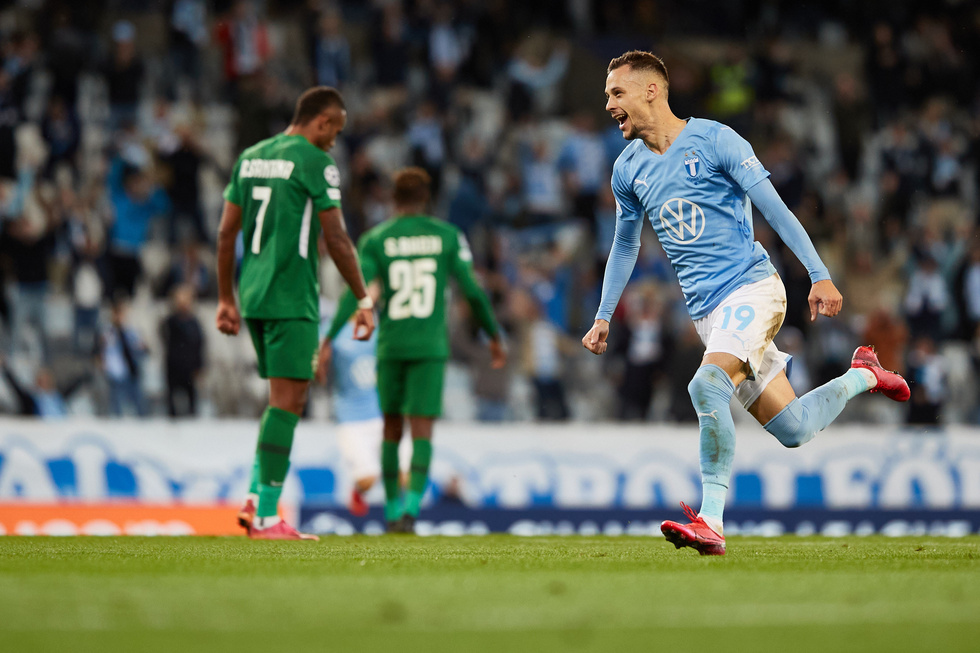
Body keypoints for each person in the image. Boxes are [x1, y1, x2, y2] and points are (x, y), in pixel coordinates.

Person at [582, 51, 910, 556]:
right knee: (794, 428)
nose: (608, 104)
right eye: (608, 95)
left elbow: (774, 209)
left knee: (706, 384)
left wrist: (819, 274)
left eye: (616, 93)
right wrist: (604, 314)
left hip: (752, 289)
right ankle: (864, 375)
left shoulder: (716, 140)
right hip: (708, 316)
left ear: (651, 90)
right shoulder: (627, 169)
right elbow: (625, 244)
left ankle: (711, 521)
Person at [216, 86, 374, 541]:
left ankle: (254, 496)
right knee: (289, 403)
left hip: (253, 296)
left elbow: (226, 234)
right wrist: (363, 299)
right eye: (335, 131)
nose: (335, 141)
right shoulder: (314, 162)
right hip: (291, 296)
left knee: (279, 401)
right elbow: (337, 238)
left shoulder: (250, 157)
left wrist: (226, 299)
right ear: (322, 121)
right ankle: (266, 517)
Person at [323, 167, 505, 533]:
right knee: (421, 431)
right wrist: (493, 335)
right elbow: (472, 291)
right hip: (429, 348)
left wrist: (328, 339)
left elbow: (357, 292)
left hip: (391, 346)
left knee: (391, 429)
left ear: (393, 199)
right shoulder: (447, 236)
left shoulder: (377, 238)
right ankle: (410, 509)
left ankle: (391, 510)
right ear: (427, 198)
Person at [318, 312, 383, 518]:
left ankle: (400, 518)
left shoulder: (379, 325)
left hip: (382, 412)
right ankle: (358, 490)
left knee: (405, 475)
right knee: (367, 479)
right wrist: (321, 361)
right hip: (350, 416)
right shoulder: (333, 328)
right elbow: (318, 365)